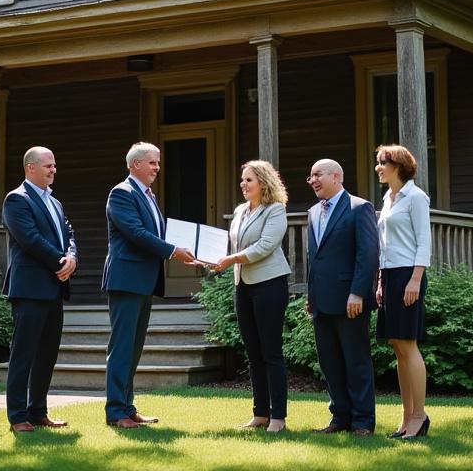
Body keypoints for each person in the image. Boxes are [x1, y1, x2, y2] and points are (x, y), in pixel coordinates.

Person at [102, 141, 195, 429]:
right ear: (135, 164)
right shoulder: (122, 193)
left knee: (134, 348)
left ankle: (127, 408)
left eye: (158, 162)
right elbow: (137, 233)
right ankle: (116, 412)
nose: (157, 167)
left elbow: (159, 232)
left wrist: (188, 248)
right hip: (126, 280)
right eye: (152, 162)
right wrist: (174, 251)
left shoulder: (148, 196)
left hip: (143, 281)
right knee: (122, 348)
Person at [210, 160, 291, 433]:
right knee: (253, 352)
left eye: (249, 180)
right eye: (242, 179)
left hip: (270, 284)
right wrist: (209, 256)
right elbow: (233, 244)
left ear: (263, 183)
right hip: (242, 286)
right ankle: (260, 413)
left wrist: (231, 259)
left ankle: (278, 417)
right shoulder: (240, 211)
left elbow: (265, 246)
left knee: (271, 352)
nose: (243, 184)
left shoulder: (275, 209)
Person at [2, 146, 78, 433]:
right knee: (23, 355)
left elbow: (69, 233)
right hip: (29, 288)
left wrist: (72, 257)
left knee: (47, 355)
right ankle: (17, 416)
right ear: (30, 168)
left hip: (54, 287)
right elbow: (30, 239)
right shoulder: (16, 200)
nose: (53, 170)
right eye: (48, 166)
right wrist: (61, 261)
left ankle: (38, 412)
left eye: (54, 165)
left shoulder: (55, 202)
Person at [305, 158, 380, 436]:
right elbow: (315, 259)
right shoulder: (313, 212)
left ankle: (363, 421)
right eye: (310, 176)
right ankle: (340, 417)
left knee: (356, 362)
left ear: (336, 176)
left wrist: (357, 292)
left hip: (350, 300)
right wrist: (311, 295)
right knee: (330, 363)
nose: (312, 180)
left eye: (317, 175)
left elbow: (368, 255)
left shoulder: (359, 208)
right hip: (321, 301)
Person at [374, 144, 432, 440]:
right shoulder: (388, 199)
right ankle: (407, 417)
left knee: (408, 344)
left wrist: (415, 280)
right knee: (397, 345)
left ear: (397, 166)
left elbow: (424, 241)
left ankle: (420, 416)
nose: (378, 168)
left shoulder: (416, 197)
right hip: (390, 275)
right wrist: (381, 281)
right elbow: (385, 246)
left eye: (383, 163)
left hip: (409, 275)